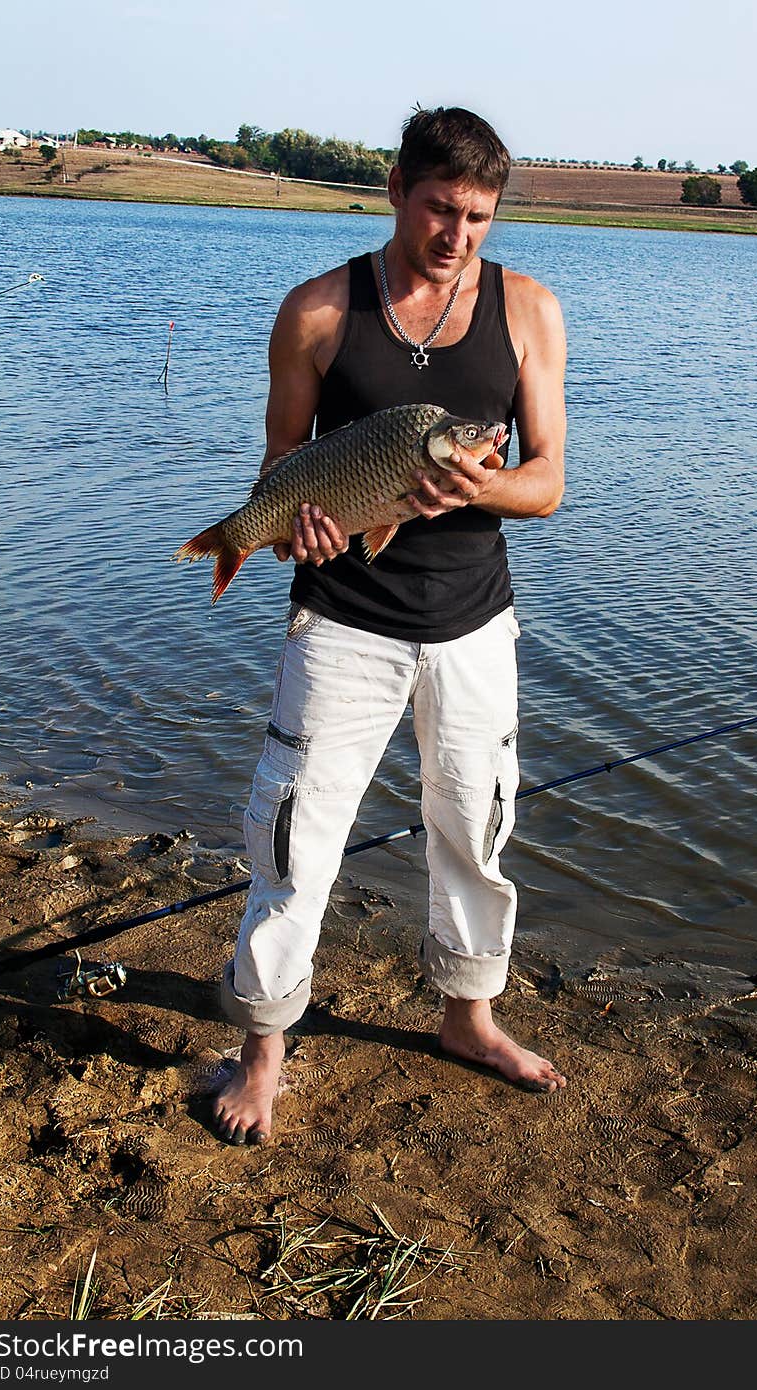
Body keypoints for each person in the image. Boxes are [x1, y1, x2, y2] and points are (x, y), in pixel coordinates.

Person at [214, 107, 568, 1145]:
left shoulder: (530, 311)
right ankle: (264, 1045)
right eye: (439, 209)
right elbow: (279, 477)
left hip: (471, 626)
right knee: (294, 837)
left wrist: (473, 488)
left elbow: (544, 483)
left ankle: (469, 1015)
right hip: (341, 622)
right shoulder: (318, 310)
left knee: (474, 827)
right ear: (394, 190)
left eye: (479, 215)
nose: (458, 235)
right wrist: (294, 533)